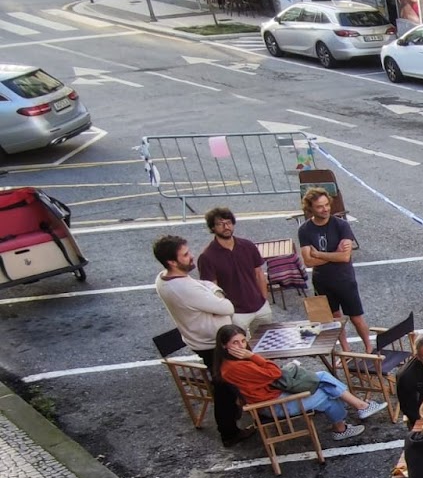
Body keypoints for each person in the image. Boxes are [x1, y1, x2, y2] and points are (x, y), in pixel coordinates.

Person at [214, 324, 381, 441]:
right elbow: (275, 372)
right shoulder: (236, 367)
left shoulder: (228, 364)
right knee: (326, 391)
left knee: (323, 378)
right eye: (235, 343)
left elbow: (270, 374)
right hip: (274, 405)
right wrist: (252, 356)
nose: (241, 346)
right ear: (224, 345)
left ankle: (355, 412)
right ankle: (346, 423)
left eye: (243, 341)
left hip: (271, 397)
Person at [154, 234, 244, 446]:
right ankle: (229, 432)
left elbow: (201, 284)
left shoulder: (163, 278)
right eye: (185, 255)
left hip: (199, 339)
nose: (191, 256)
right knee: (224, 386)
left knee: (226, 383)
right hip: (212, 343)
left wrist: (210, 291)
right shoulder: (184, 288)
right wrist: (217, 292)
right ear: (172, 262)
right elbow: (227, 307)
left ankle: (236, 415)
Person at [297, 188, 373, 353]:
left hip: (344, 280)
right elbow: (309, 261)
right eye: (319, 207)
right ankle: (346, 350)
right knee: (334, 319)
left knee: (356, 317)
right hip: (322, 282)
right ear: (310, 209)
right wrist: (334, 254)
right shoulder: (304, 230)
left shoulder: (341, 225)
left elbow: (345, 257)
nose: (325, 209)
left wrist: (319, 254)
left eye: (326, 205)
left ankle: (369, 348)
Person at [197, 207, 271, 328]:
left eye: (228, 223)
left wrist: (264, 299)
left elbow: (259, 274)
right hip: (235, 313)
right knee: (241, 346)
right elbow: (212, 290)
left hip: (261, 307)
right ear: (212, 228)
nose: (226, 227)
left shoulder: (248, 246)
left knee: (269, 342)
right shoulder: (207, 257)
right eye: (220, 224)